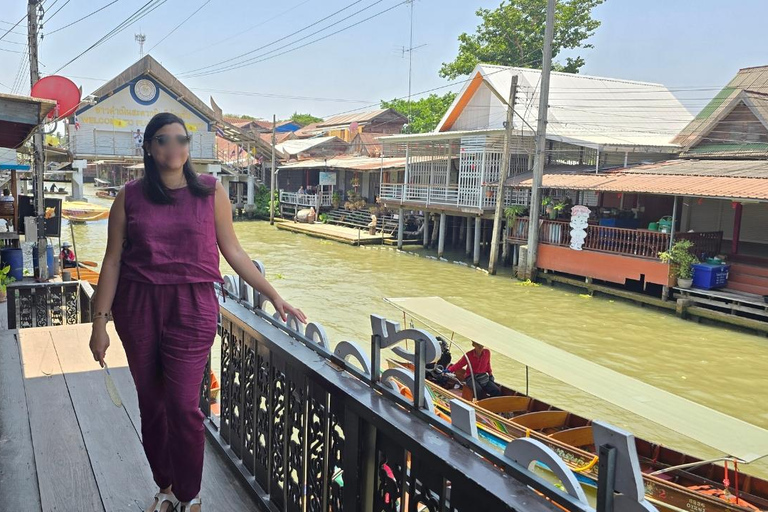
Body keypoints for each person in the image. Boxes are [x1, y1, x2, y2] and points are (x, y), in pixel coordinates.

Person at [88, 112, 305, 512]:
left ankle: (190, 494)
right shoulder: (129, 196)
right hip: (138, 306)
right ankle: (166, 487)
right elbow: (113, 260)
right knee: (150, 403)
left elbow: (234, 250)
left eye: (182, 140)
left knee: (183, 406)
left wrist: (275, 296)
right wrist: (99, 323)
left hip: (193, 306)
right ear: (150, 148)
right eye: (165, 140)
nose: (175, 147)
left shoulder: (210, 190)